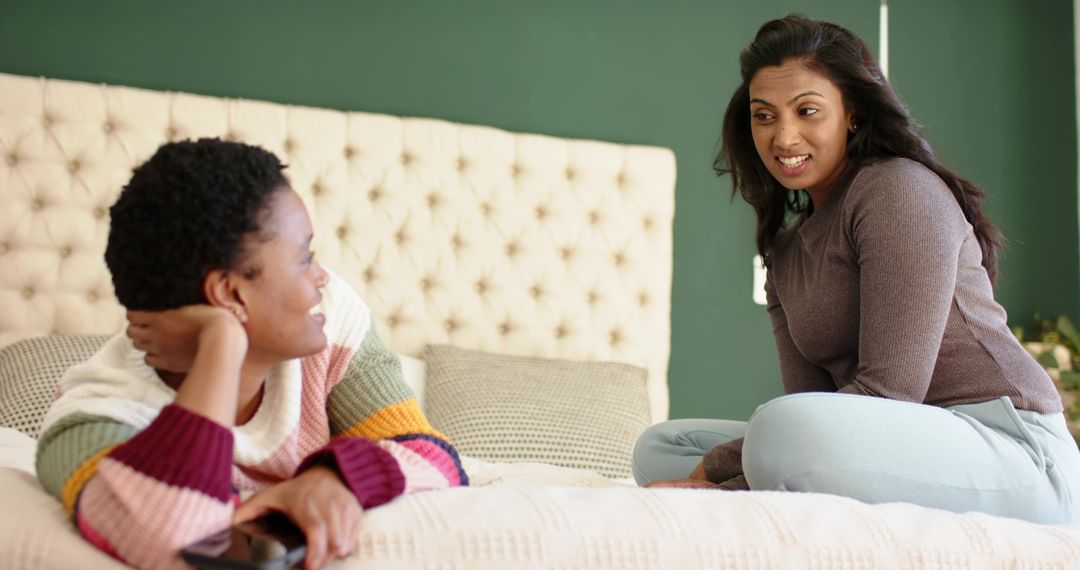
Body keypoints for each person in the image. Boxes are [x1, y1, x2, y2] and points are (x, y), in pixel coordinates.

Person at [632, 15, 1080, 524]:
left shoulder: (897, 188)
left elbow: (891, 395)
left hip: (1013, 450)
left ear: (853, 114)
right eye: (764, 116)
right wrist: (741, 462)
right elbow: (817, 408)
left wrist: (716, 478)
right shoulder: (785, 253)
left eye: (807, 110)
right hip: (900, 444)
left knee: (777, 432)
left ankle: (723, 492)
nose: (784, 136)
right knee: (661, 447)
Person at [35, 138, 468, 570]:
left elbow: (431, 454)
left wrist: (334, 477)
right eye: (305, 258)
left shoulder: (332, 324)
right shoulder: (90, 419)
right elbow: (179, 544)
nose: (322, 277)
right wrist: (222, 341)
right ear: (229, 294)